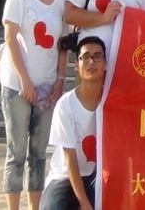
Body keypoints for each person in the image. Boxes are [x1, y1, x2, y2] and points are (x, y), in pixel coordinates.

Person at [0, 0, 68, 210]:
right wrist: (25, 82)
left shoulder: (63, 0)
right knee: (16, 153)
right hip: (17, 87)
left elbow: (63, 45)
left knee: (39, 154)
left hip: (47, 90)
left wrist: (59, 81)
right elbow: (10, 39)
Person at [40, 36, 106, 210]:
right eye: (86, 57)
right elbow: (70, 160)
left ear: (105, 64)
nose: (91, 62)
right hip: (65, 178)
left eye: (97, 56)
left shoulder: (110, 103)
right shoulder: (66, 105)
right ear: (77, 65)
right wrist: (84, 204)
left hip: (96, 177)